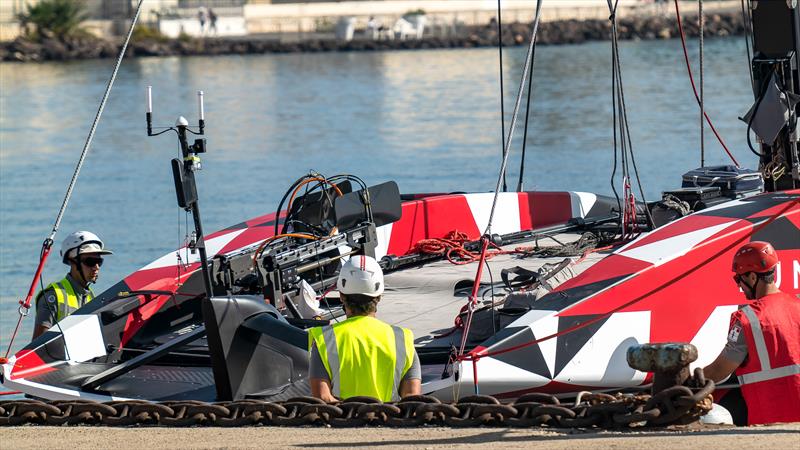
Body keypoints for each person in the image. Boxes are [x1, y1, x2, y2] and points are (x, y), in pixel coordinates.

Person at [703, 241, 800, 425]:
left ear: (753, 277)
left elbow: (719, 370)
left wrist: (688, 382)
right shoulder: (798, 305)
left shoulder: (747, 318)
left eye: (739, 279)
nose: (739, 285)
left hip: (770, 420)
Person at [308, 255, 421, 402]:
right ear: (379, 296)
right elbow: (412, 398)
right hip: (388, 420)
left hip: (342, 421)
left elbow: (323, 397)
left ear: (341, 296)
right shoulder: (402, 339)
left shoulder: (324, 339)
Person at [32, 231, 113, 339]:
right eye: (90, 262)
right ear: (73, 262)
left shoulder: (90, 297)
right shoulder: (52, 295)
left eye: (99, 261)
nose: (96, 267)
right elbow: (38, 346)